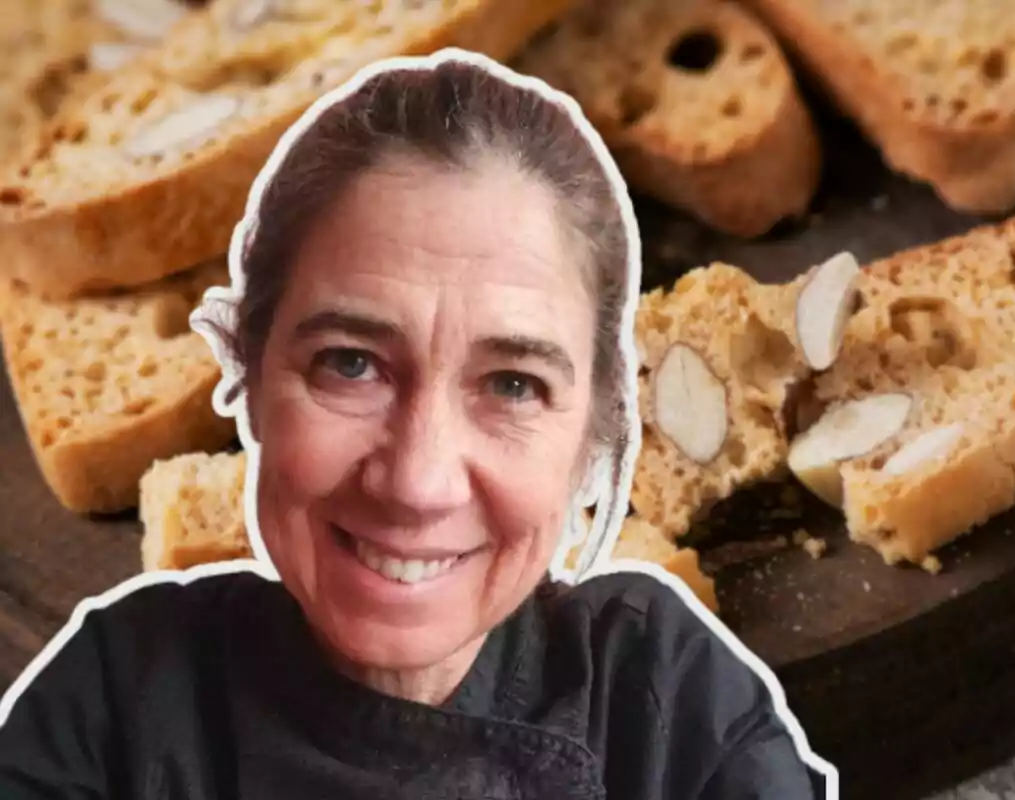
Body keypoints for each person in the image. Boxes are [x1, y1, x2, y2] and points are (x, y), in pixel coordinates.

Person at [0, 51, 822, 799]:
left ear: (595, 435)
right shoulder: (113, 698)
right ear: (247, 374)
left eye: (512, 384)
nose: (417, 480)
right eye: (350, 364)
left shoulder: (667, 693)